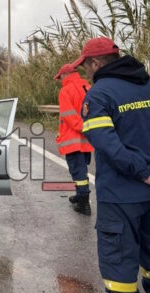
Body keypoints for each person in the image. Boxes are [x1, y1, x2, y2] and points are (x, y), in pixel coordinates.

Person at [73, 37, 150, 293]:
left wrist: (144, 171)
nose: (86, 72)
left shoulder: (100, 94)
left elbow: (107, 144)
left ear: (95, 63)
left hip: (121, 198)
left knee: (120, 267)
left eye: (85, 67)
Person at [54, 64, 94, 215]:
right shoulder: (87, 86)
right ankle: (79, 196)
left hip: (73, 138)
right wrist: (89, 129)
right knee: (82, 169)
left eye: (60, 77)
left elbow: (69, 115)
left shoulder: (66, 90)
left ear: (65, 75)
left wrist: (82, 127)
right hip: (87, 138)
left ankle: (83, 203)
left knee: (78, 173)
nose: (60, 80)